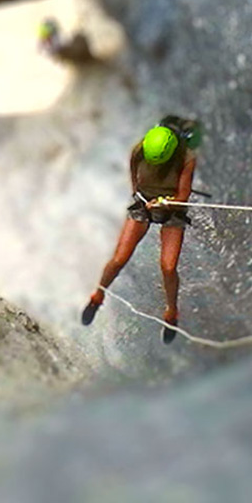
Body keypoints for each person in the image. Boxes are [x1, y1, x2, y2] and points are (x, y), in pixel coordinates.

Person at [81, 115, 201, 343]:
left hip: (172, 208)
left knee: (168, 266)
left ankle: (171, 312)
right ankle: (98, 295)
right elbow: (134, 179)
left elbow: (183, 195)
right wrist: (140, 196)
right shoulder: (139, 150)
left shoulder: (187, 158)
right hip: (144, 202)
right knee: (119, 258)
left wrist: (166, 202)